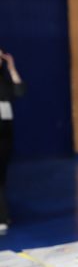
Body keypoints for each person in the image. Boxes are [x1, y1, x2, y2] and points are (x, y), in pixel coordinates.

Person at [0, 49, 24, 235]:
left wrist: (12, 67)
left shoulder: (5, 80)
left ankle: (3, 216)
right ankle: (3, 217)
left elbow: (19, 91)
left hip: (4, 136)